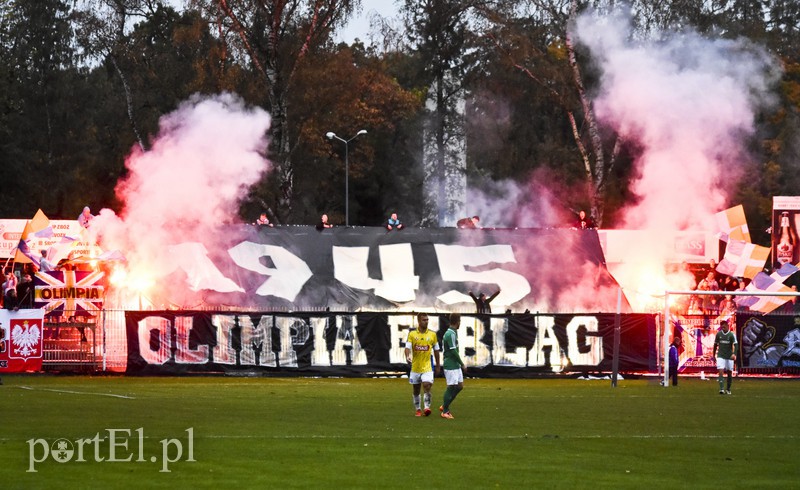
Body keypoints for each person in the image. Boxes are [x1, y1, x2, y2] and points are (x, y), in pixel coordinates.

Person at [404, 313, 441, 416]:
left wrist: (438, 365)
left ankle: (427, 407)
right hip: (415, 367)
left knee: (426, 385)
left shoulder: (432, 335)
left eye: (427, 320)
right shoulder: (412, 334)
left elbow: (437, 350)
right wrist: (407, 356)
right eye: (424, 320)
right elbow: (407, 348)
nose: (426, 322)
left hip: (428, 366)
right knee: (416, 389)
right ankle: (418, 409)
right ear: (419, 321)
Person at [440, 312, 466, 419]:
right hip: (451, 365)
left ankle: (445, 405)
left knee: (460, 386)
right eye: (460, 321)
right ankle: (445, 411)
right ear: (457, 322)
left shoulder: (453, 332)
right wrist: (462, 363)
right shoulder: (450, 334)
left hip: (455, 365)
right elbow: (453, 351)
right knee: (451, 387)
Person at [712, 320, 738, 395]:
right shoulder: (718, 334)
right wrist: (713, 355)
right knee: (720, 371)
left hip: (729, 356)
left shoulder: (731, 335)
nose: (722, 328)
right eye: (721, 327)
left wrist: (734, 354)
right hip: (721, 355)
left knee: (729, 373)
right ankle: (721, 389)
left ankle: (728, 389)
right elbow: (715, 345)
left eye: (724, 326)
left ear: (727, 326)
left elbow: (736, 345)